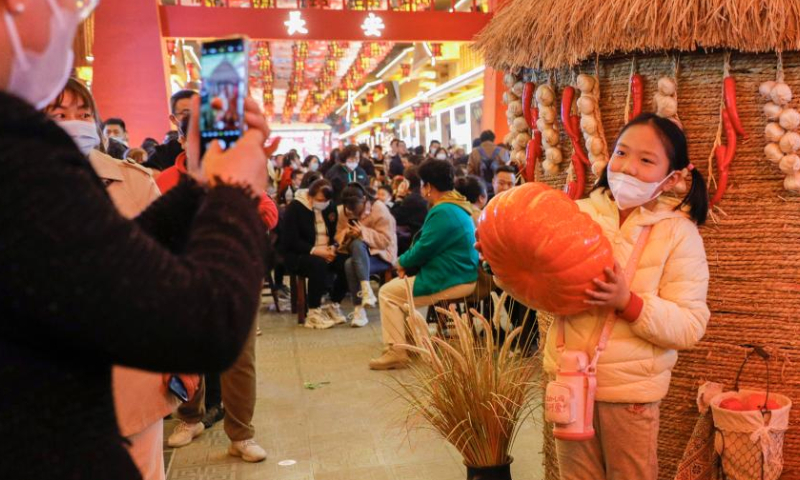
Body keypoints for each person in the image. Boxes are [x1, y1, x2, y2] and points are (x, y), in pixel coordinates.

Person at [0, 2, 277, 478]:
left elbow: (96, 272)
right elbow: (203, 324)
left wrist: (198, 185)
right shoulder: (18, 154)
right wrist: (236, 190)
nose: (73, 19)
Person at [540, 113, 710, 480]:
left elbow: (691, 325)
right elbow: (538, 290)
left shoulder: (679, 234)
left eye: (646, 160)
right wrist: (504, 261)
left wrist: (628, 303)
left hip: (631, 395)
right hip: (569, 382)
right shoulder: (575, 214)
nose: (628, 167)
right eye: (621, 152)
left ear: (673, 178)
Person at [370, 160, 479, 370]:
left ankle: (396, 351)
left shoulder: (444, 210)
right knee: (398, 293)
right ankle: (409, 344)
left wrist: (400, 262)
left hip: (451, 277)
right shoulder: (458, 205)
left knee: (387, 293)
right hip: (460, 273)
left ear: (428, 186)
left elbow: (423, 248)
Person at [280, 179, 344, 329]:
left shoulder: (330, 206)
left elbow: (335, 233)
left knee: (346, 262)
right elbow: (290, 241)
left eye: (327, 200)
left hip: (325, 251)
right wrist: (316, 251)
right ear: (310, 196)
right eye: (320, 200)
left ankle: (334, 304)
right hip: (299, 254)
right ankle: (313, 313)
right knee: (318, 264)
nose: (324, 203)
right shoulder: (295, 208)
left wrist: (333, 247)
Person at [333, 183, 397, 327]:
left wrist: (363, 233)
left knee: (351, 262)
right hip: (358, 254)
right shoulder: (343, 211)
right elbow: (338, 236)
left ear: (364, 199)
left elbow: (386, 241)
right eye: (349, 209)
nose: (351, 212)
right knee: (353, 254)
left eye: (356, 208)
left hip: (381, 254)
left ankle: (359, 309)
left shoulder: (379, 209)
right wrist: (346, 234)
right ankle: (366, 292)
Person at [143, 89, 197, 171]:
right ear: (173, 119)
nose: (193, 116)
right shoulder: (164, 153)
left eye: (198, 111)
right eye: (186, 113)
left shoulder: (214, 145)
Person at [390, 166, 428, 255]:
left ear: (406, 182)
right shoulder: (425, 195)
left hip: (413, 244)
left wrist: (399, 196)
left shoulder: (412, 199)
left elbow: (393, 217)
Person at [468, 130, 510, 194]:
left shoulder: (474, 153)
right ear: (493, 139)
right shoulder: (503, 151)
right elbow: (508, 171)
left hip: (480, 191)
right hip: (500, 191)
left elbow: (470, 173)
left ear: (481, 139)